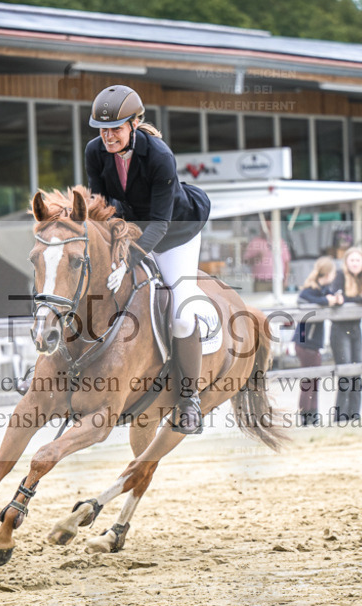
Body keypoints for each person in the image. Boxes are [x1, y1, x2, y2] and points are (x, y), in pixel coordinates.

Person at [85, 84, 212, 434]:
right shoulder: (95, 151)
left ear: (135, 124)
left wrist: (127, 260)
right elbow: (101, 207)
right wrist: (109, 249)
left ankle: (189, 400)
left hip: (175, 234)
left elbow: (160, 223)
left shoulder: (159, 155)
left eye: (116, 128)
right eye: (102, 129)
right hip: (132, 229)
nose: (108, 136)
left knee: (182, 315)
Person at [329, 246, 362, 421]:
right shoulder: (340, 277)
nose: (355, 263)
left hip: (356, 330)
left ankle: (354, 416)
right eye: (352, 260)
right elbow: (339, 300)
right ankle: (341, 418)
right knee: (346, 375)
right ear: (346, 262)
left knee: (357, 374)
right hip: (340, 330)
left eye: (358, 260)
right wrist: (360, 300)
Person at [295, 256, 337, 426]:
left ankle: (312, 412)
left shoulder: (323, 289)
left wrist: (333, 299)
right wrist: (327, 301)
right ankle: (307, 414)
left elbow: (331, 297)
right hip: (306, 342)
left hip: (312, 342)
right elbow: (302, 300)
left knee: (313, 380)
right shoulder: (310, 291)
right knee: (309, 380)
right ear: (327, 274)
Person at [243, 228, 290, 293]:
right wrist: (257, 258)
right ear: (261, 228)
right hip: (261, 283)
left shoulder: (280, 242)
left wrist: (286, 279)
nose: (267, 230)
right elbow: (246, 261)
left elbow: (286, 262)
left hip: (278, 282)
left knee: (278, 302)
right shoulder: (254, 242)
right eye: (265, 227)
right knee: (259, 302)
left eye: (269, 227)